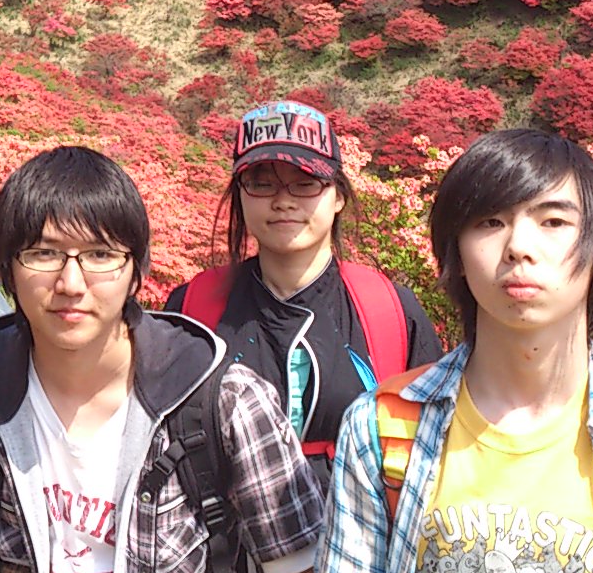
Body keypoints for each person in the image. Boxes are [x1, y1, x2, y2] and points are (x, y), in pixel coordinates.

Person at [320, 129, 593, 573]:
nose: (518, 248)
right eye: (490, 222)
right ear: (457, 254)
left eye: (553, 222)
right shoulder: (381, 430)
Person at [0, 146, 326, 573]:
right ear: (6, 269)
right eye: (43, 253)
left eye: (100, 255)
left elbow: (294, 564)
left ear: (136, 271)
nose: (71, 284)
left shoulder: (228, 403)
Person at [166, 100, 443, 486]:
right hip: (224, 541)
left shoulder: (390, 311)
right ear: (240, 195)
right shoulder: (192, 309)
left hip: (358, 538)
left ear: (339, 195)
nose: (283, 200)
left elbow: (433, 448)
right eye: (261, 183)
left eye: (306, 181)